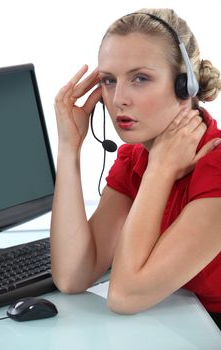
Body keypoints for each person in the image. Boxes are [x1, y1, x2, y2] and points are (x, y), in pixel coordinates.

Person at [50, 8, 221, 329]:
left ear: (187, 86)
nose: (119, 99)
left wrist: (160, 170)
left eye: (140, 78)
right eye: (109, 81)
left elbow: (124, 297)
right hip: (186, 326)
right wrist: (69, 148)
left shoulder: (217, 165)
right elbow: (72, 276)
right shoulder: (135, 159)